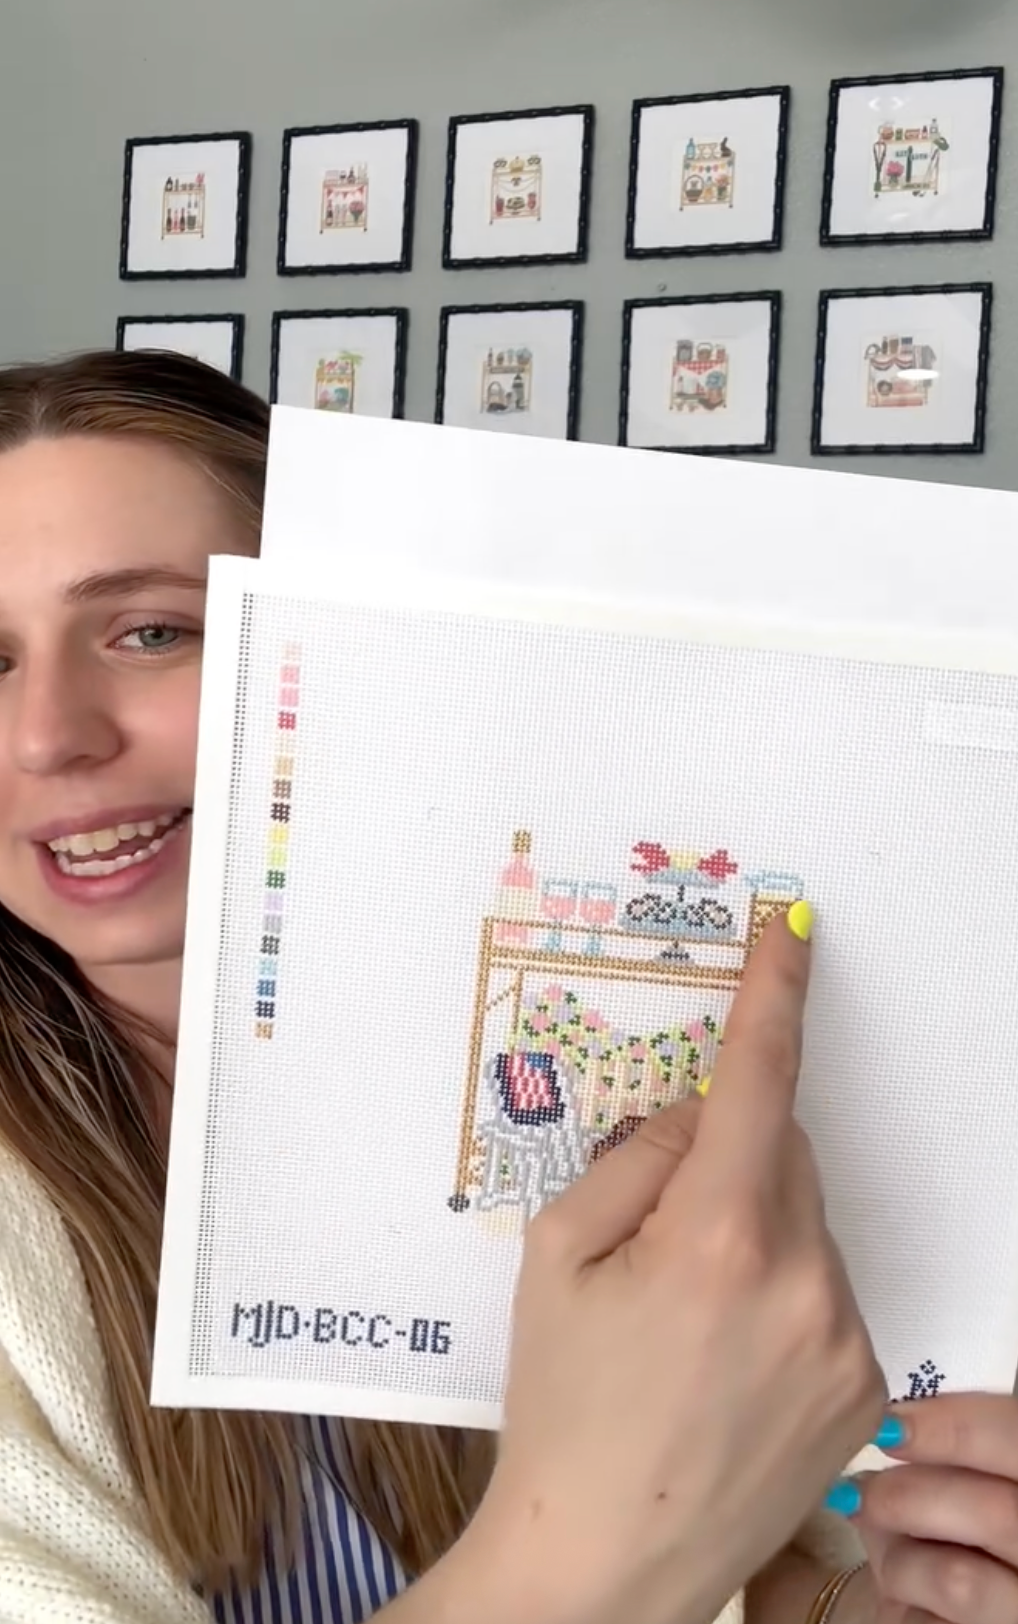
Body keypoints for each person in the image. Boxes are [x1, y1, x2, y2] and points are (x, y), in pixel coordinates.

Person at [0, 353, 1013, 1624]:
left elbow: (767, 1568)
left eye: (152, 631)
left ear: (360, 639)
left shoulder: (577, 1052)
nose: (49, 735)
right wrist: (585, 1552)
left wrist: (873, 1603)